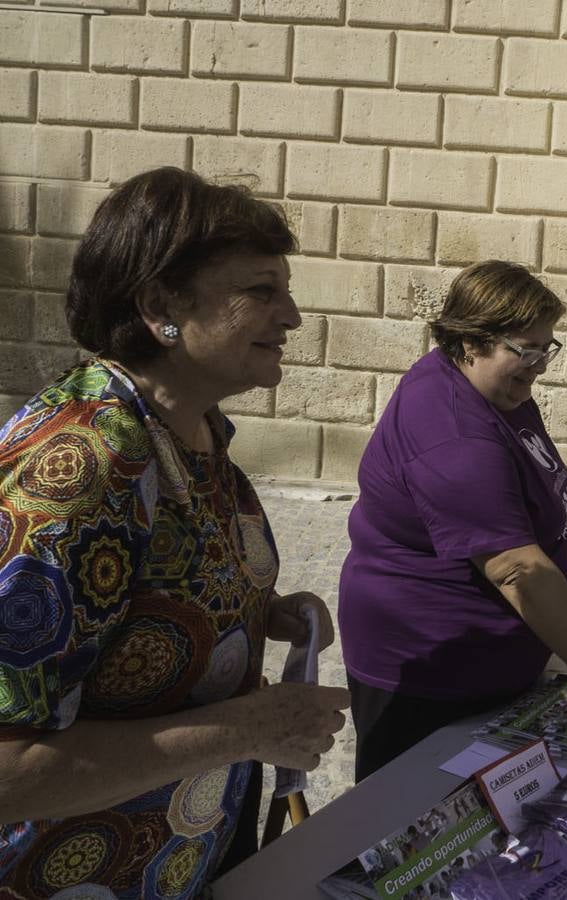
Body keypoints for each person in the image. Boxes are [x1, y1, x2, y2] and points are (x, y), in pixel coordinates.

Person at [0, 167, 349, 898]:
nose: (291, 315)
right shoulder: (80, 468)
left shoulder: (192, 430)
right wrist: (252, 729)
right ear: (161, 305)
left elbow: (142, 596)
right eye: (262, 290)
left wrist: (259, 608)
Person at [339, 260, 567, 782]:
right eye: (526, 349)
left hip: (494, 657)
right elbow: (517, 570)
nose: (541, 364)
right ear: (471, 341)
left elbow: (538, 472)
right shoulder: (454, 431)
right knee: (414, 824)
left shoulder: (495, 387)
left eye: (548, 347)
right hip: (431, 668)